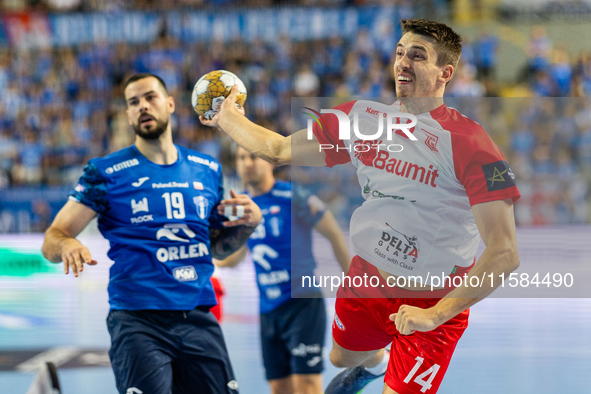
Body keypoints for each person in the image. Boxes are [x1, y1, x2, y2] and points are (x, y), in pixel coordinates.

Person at [201, 19, 521, 394]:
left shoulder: (472, 143)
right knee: (341, 357)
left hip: (434, 301)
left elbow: (505, 252)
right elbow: (278, 149)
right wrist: (227, 117)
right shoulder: (362, 119)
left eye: (417, 56)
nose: (403, 61)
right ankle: (375, 364)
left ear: (445, 73)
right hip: (368, 280)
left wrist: (434, 314)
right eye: (400, 52)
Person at [41, 73, 262, 394]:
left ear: (170, 104)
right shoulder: (105, 172)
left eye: (150, 97)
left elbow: (216, 249)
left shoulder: (207, 168)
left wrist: (247, 226)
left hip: (198, 315)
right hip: (137, 321)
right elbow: (52, 238)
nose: (143, 106)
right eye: (134, 102)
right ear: (128, 114)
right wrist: (66, 243)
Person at [215, 146, 351, 394]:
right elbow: (232, 260)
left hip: (302, 303)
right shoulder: (244, 207)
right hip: (268, 309)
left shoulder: (293, 196)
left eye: (253, 156)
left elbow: (335, 236)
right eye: (241, 158)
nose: (247, 163)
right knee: (279, 388)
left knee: (307, 386)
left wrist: (356, 289)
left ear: (270, 162)